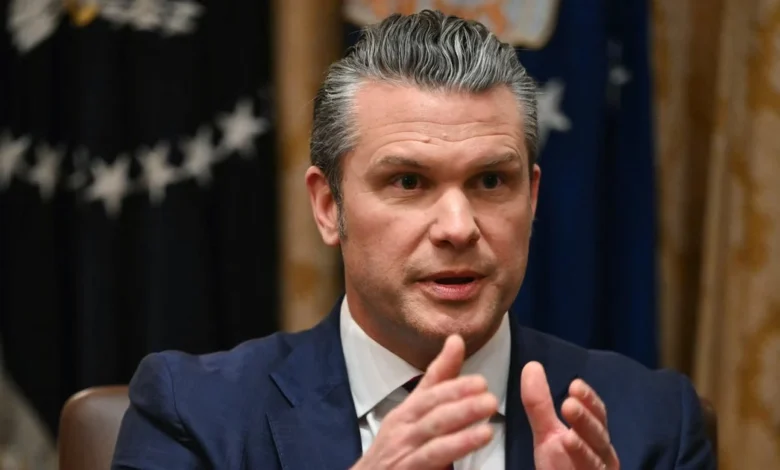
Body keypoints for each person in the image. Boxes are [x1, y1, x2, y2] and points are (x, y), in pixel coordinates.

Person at [111, 10, 716, 470]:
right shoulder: (193, 415)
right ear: (328, 207)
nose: (458, 227)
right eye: (408, 181)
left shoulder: (655, 423)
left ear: (532, 198)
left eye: (490, 180)